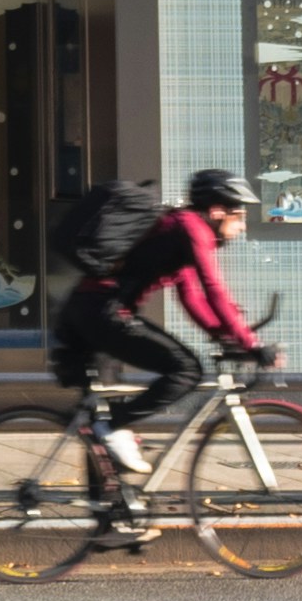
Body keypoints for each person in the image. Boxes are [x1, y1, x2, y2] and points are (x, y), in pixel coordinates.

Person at [55, 167, 264, 494]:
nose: (242, 224)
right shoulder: (191, 228)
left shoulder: (177, 227)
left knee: (104, 422)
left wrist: (223, 335)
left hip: (88, 311)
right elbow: (213, 288)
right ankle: (110, 427)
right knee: (185, 370)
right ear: (217, 210)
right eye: (240, 215)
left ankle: (112, 519)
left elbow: (191, 295)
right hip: (102, 312)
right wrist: (249, 341)